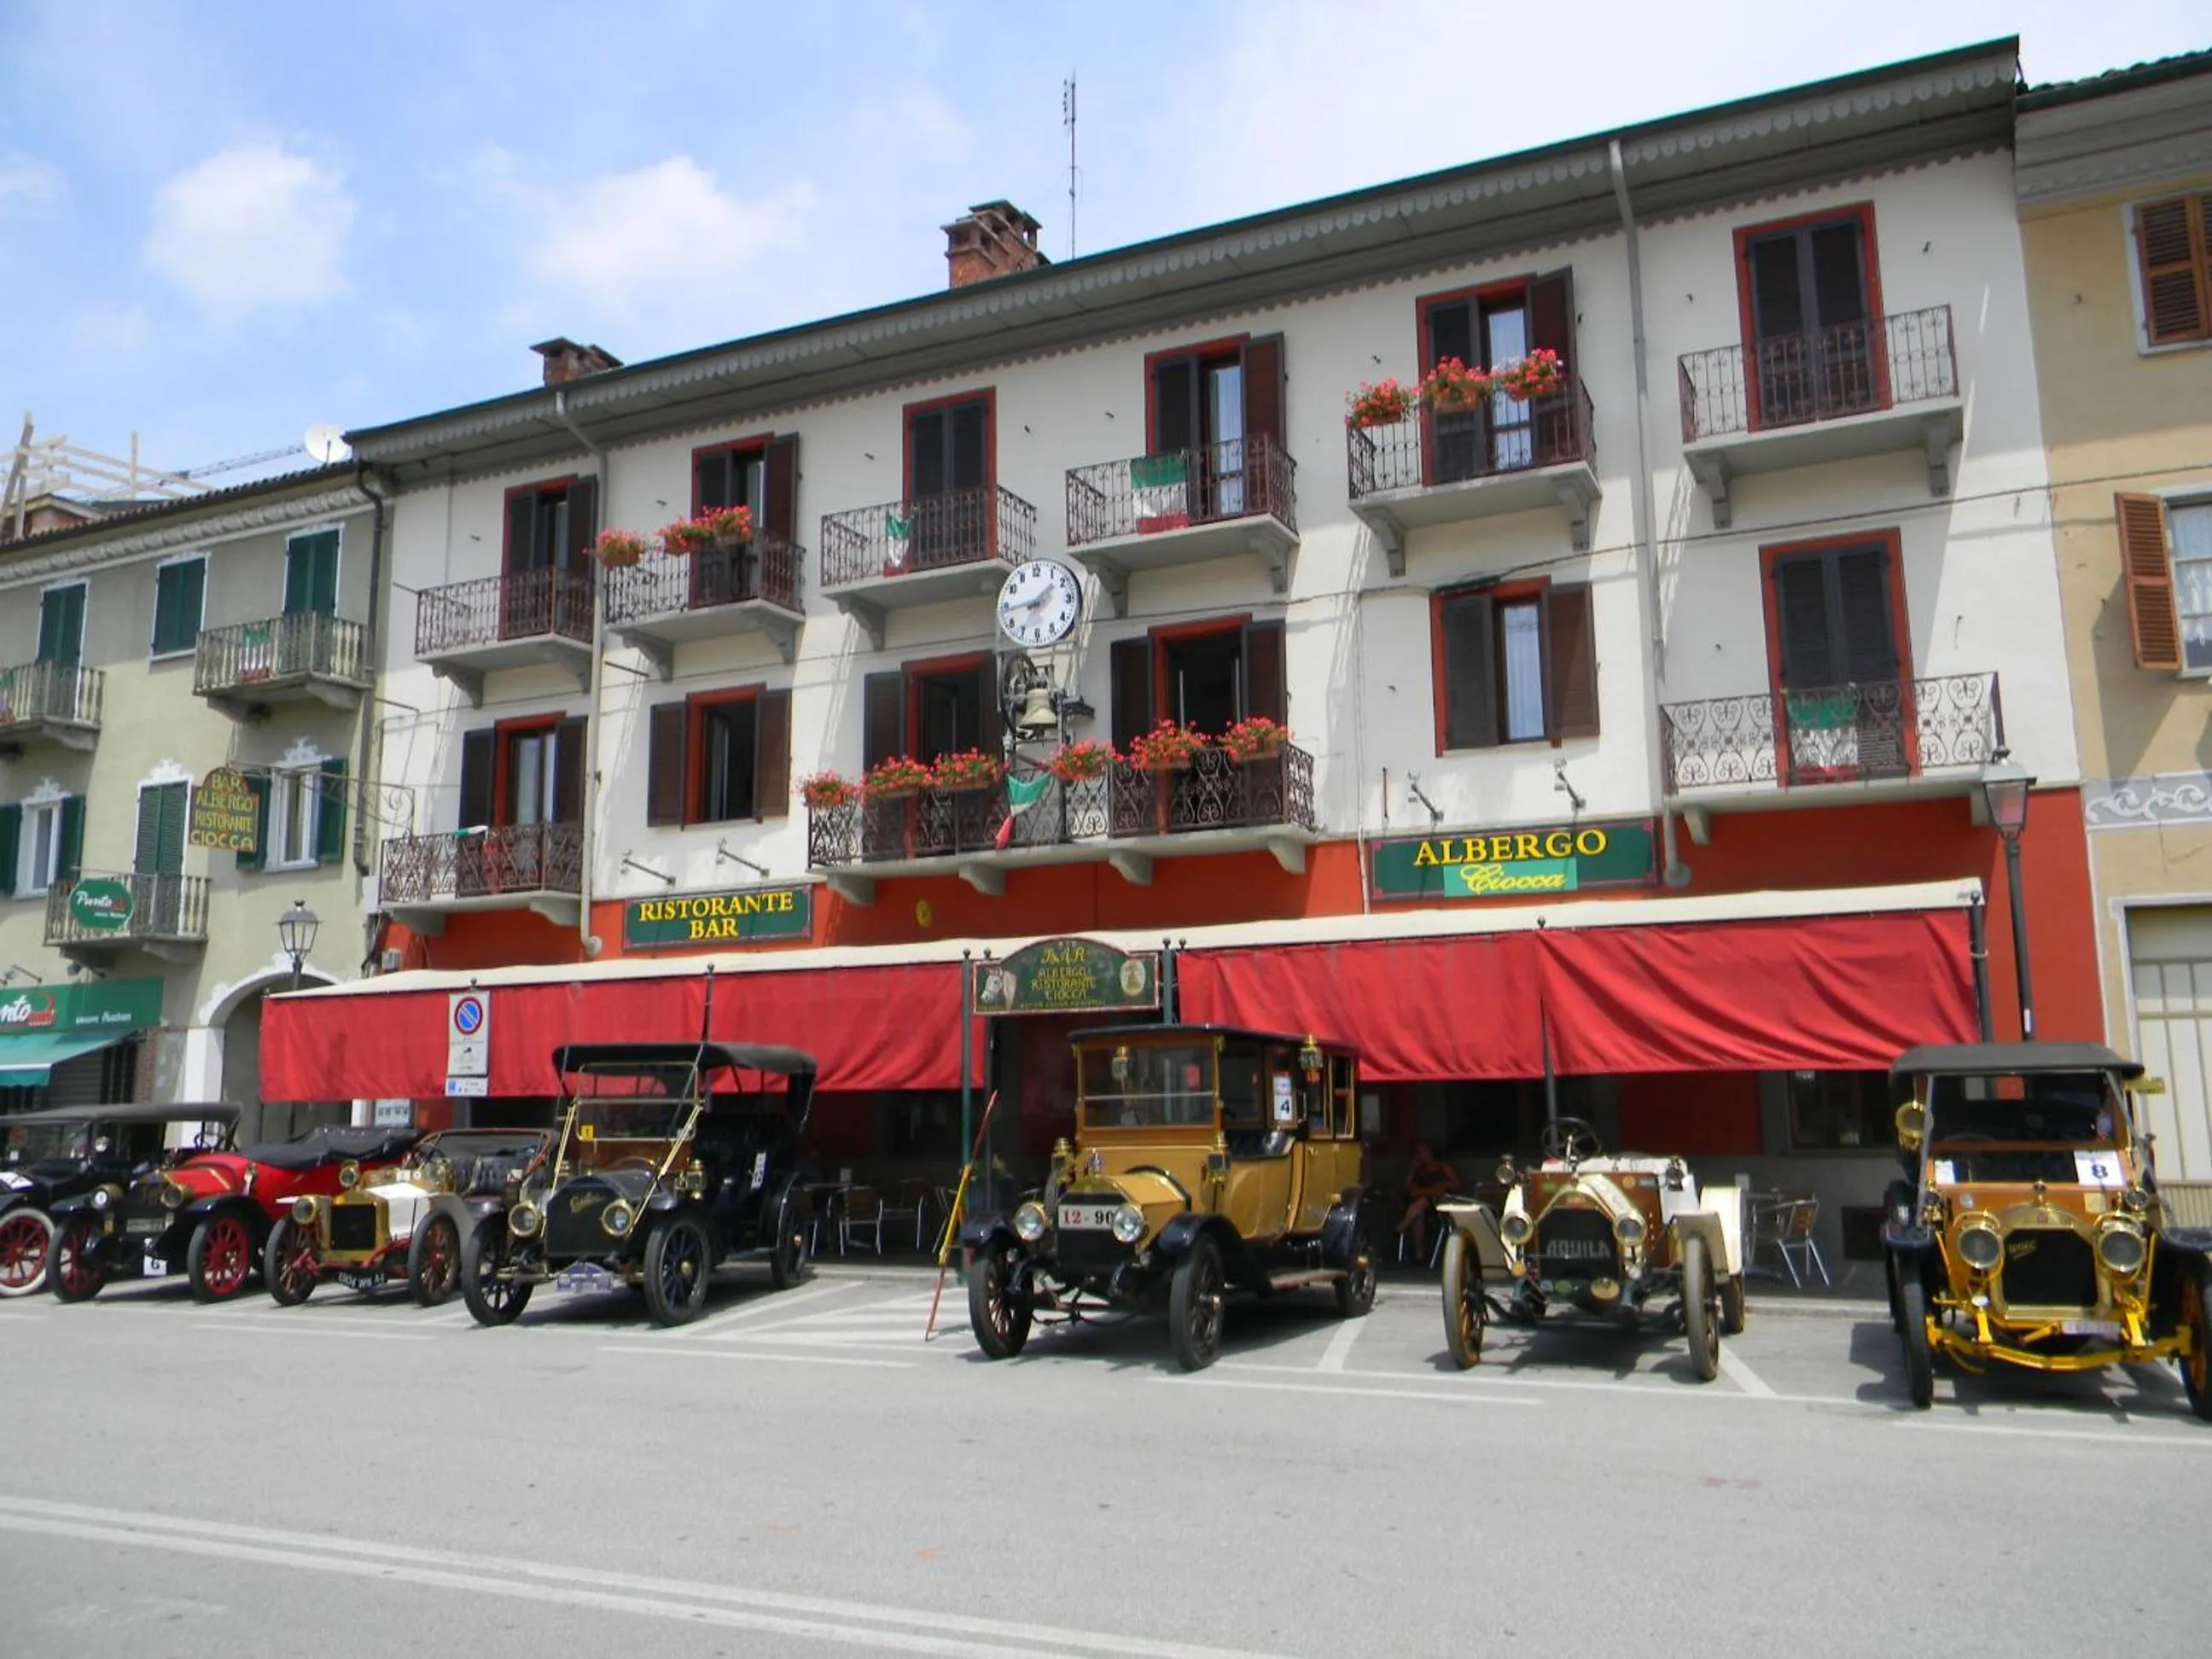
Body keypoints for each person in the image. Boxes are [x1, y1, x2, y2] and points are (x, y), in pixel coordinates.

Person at [1398, 1143, 1458, 1263]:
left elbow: (1456, 1184)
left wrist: (1443, 1185)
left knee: (1422, 1203)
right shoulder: (1418, 1171)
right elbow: (1408, 1187)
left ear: (1430, 1152)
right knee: (1418, 1213)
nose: (1421, 1155)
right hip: (1419, 1206)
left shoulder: (1442, 1167)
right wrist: (1413, 1169)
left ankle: (1401, 1227)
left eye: (1423, 1152)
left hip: (1438, 1205)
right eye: (1418, 1153)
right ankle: (1419, 1256)